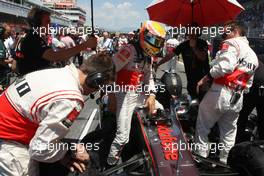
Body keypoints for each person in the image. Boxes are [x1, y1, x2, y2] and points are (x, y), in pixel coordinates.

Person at [0, 52, 116, 176]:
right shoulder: (70, 98)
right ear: (95, 80)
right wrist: (71, 152)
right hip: (10, 148)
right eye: (100, 86)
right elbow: (40, 149)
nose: (98, 90)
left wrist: (63, 155)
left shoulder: (56, 73)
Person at [107, 20, 174, 165]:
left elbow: (149, 77)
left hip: (139, 93)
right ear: (145, 36)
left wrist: (152, 95)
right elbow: (109, 71)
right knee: (123, 136)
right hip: (122, 94)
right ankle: (110, 162)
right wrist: (111, 95)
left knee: (162, 113)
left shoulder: (148, 57)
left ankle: (160, 154)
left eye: (160, 41)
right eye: (155, 40)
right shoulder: (128, 51)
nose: (157, 44)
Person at [194, 21, 259, 164]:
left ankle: (200, 159)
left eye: (225, 33)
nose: (223, 37)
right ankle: (225, 162)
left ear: (235, 31)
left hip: (220, 92)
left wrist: (206, 78)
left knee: (202, 126)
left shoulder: (231, 44)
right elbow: (248, 84)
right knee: (229, 134)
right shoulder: (253, 56)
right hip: (238, 97)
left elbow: (225, 66)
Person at [16, 7, 97, 75]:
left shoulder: (27, 37)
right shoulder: (33, 39)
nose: (50, 25)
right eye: (47, 22)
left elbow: (14, 64)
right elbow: (55, 56)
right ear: (37, 23)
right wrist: (85, 45)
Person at [156, 24, 210, 100]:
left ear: (198, 32)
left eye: (194, 30)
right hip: (190, 80)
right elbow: (170, 55)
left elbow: (203, 58)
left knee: (203, 103)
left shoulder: (202, 43)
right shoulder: (184, 45)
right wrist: (158, 64)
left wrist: (194, 47)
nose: (191, 32)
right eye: (189, 30)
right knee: (192, 103)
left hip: (203, 79)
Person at [236, 59, 264, 144]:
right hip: (257, 84)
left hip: (254, 86)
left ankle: (238, 141)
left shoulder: (252, 56)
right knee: (261, 117)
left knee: (242, 115)